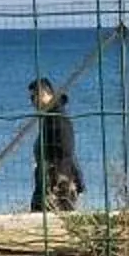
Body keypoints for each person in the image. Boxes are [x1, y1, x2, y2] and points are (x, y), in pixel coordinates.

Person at [28, 75, 83, 212]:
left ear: (43, 93)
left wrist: (53, 173)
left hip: (58, 182)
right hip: (52, 178)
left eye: (33, 97)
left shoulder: (57, 118)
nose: (32, 102)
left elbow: (66, 150)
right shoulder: (50, 116)